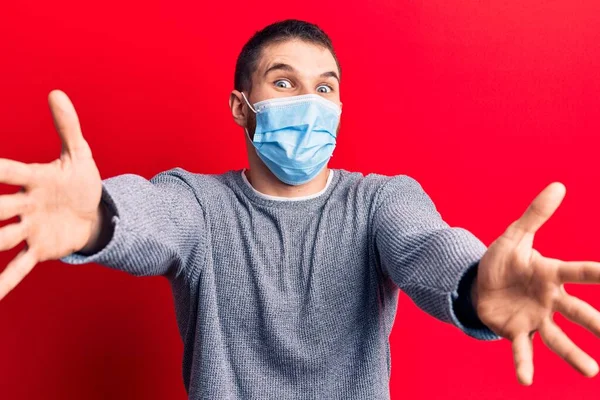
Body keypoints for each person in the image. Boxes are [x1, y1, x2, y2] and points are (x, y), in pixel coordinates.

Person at [0, 18, 598, 400]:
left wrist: (473, 286)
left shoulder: (379, 201)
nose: (310, 102)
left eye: (325, 87)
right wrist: (98, 218)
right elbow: (153, 216)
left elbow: (426, 246)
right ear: (241, 107)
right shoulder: (200, 204)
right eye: (283, 83)